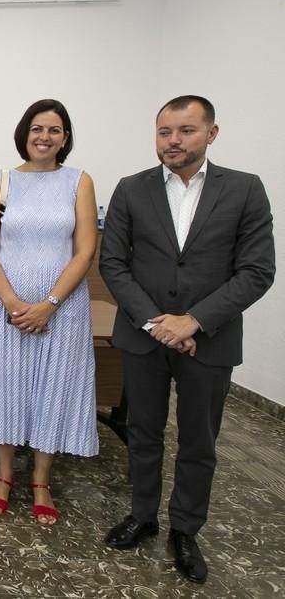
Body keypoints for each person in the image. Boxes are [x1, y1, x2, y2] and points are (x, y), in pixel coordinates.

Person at [100, 95, 274, 584]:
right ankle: (142, 515)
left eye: (186, 130)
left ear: (211, 134)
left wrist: (193, 321)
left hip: (210, 340)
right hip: (144, 336)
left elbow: (257, 271)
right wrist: (158, 322)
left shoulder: (244, 190)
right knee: (143, 432)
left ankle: (186, 529)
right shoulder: (131, 190)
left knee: (199, 440)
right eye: (164, 132)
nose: (173, 141)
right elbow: (114, 263)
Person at [0, 99, 99, 526]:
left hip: (61, 308)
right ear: (24, 133)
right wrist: (9, 301)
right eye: (37, 128)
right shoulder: (2, 181)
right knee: (5, 386)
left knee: (52, 388)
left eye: (54, 130)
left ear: (65, 137)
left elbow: (84, 251)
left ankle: (41, 479)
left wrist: (50, 305)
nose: (44, 137)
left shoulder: (79, 181)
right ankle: (5, 476)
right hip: (4, 306)